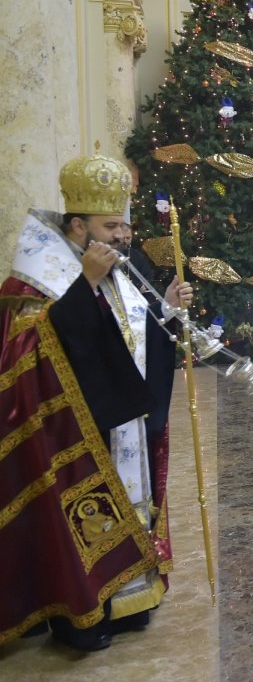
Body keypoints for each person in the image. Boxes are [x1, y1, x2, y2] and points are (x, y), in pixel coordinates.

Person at [0, 153, 192, 650]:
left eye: (123, 226)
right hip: (71, 428)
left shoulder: (108, 266)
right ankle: (82, 615)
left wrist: (166, 310)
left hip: (118, 420)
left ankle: (128, 599)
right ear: (78, 225)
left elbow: (128, 334)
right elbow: (30, 351)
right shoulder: (34, 278)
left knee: (129, 502)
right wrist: (83, 284)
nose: (120, 236)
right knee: (76, 519)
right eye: (111, 226)